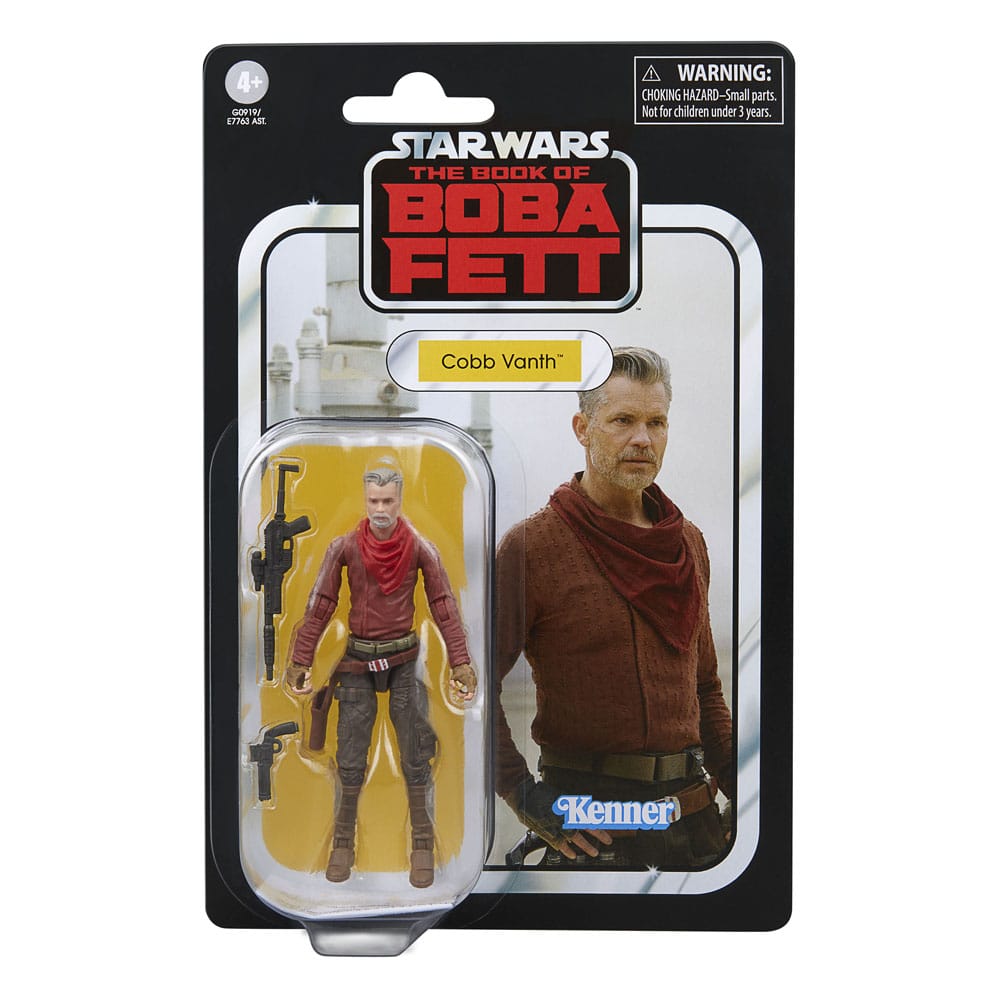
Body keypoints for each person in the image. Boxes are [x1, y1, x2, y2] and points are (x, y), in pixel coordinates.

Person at [496, 347, 733, 869]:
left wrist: (749, 792)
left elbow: (705, 687)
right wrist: (525, 797)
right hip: (589, 831)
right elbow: (470, 691)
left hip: (694, 828)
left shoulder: (688, 543)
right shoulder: (532, 547)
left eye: (656, 423)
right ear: (583, 429)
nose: (642, 438)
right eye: (623, 420)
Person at [285, 460, 477, 888]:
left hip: (404, 660)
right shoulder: (345, 546)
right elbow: (320, 604)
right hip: (357, 660)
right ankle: (342, 842)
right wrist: (301, 658)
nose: (380, 509)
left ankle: (422, 844)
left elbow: (444, 605)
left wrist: (461, 661)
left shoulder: (421, 547)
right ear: (365, 499)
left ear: (400, 499)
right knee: (350, 760)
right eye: (374, 500)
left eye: (388, 500)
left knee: (416, 758)